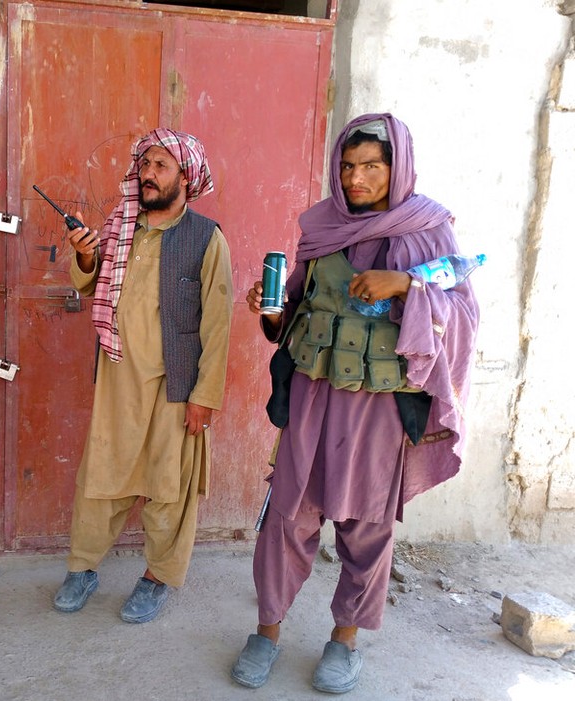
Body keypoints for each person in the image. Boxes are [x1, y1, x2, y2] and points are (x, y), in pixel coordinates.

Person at [233, 114, 480, 693]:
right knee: (288, 515)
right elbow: (295, 305)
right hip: (314, 396)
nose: (356, 178)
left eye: (372, 166)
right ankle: (266, 631)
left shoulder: (430, 230)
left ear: (398, 169)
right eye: (348, 166)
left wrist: (408, 287)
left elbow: (464, 317)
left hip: (379, 406)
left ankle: (344, 640)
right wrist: (269, 312)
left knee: (366, 525)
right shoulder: (320, 226)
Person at [53, 128, 234, 624]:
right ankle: (83, 567)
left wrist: (205, 396)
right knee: (102, 476)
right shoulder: (122, 227)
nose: (148, 174)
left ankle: (158, 577)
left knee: (166, 486)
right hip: (117, 378)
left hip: (176, 387)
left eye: (161, 166)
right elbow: (91, 279)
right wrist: (86, 252)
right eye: (145, 164)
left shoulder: (206, 238)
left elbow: (218, 324)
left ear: (185, 177)